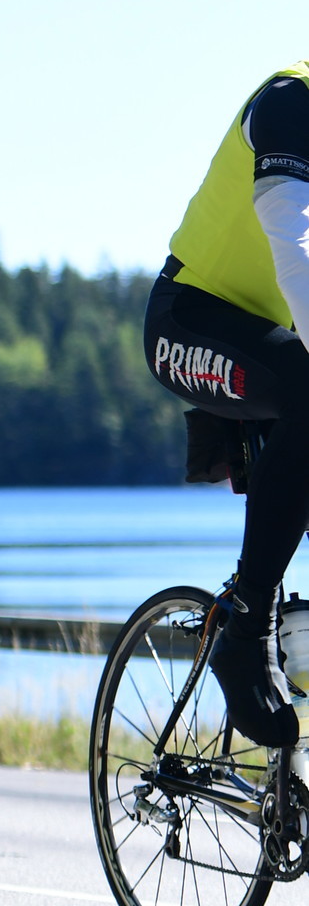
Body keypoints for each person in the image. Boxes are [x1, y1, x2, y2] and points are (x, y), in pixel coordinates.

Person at [146, 61, 309, 746]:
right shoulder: (290, 102)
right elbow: (294, 247)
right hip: (187, 319)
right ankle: (245, 631)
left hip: (276, 342)